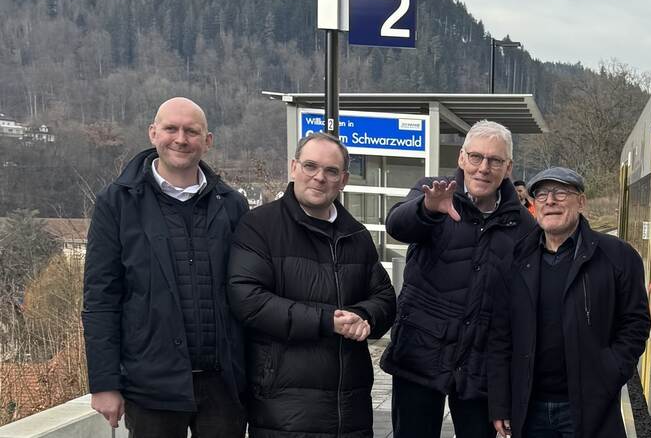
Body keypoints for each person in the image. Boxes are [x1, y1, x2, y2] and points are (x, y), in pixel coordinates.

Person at [82, 97, 250, 437]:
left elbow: (248, 290)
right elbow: (101, 297)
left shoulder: (232, 204)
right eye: (171, 129)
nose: (181, 139)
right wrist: (104, 383)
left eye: (192, 131)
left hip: (222, 386)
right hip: (151, 385)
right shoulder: (117, 202)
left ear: (208, 140)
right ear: (152, 133)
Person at [226, 132, 395, 437]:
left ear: (343, 179)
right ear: (293, 168)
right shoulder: (259, 226)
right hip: (283, 411)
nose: (319, 177)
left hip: (350, 411)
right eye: (310, 166)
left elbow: (384, 296)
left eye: (331, 171)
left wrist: (365, 317)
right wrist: (325, 321)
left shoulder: (355, 235)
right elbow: (248, 299)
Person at [381, 120, 538, 438]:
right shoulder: (433, 191)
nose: (484, 168)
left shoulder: (521, 223)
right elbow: (397, 226)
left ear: (507, 167)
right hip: (420, 355)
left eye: (495, 160)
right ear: (462, 158)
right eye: (476, 157)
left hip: (478, 365)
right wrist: (427, 209)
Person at [488, 167, 651, 438]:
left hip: (590, 407)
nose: (550, 201)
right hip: (530, 408)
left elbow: (635, 324)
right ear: (534, 204)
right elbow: (499, 336)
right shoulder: (516, 260)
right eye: (541, 195)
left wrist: (609, 371)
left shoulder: (617, 256)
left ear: (582, 202)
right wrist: (500, 403)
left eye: (561, 193)